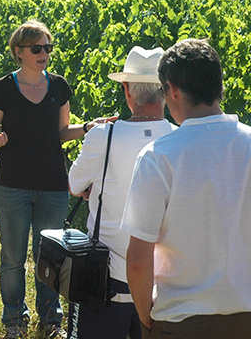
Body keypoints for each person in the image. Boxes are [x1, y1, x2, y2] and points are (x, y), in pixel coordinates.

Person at [122, 39, 251, 339]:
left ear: (172, 90)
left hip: (179, 324)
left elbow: (139, 260)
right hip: (248, 324)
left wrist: (146, 318)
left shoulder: (158, 157)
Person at [0, 19, 114, 339]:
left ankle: (51, 318)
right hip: (12, 184)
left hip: (53, 183)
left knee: (49, 254)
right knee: (13, 256)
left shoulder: (58, 86)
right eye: (37, 48)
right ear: (19, 52)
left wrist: (86, 128)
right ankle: (14, 318)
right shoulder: (2, 88)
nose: (44, 54)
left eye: (47, 48)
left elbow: (61, 132)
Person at [66, 46, 176, 339]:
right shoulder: (181, 139)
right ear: (166, 91)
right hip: (163, 284)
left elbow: (74, 186)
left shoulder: (103, 135)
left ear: (127, 90)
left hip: (106, 280)